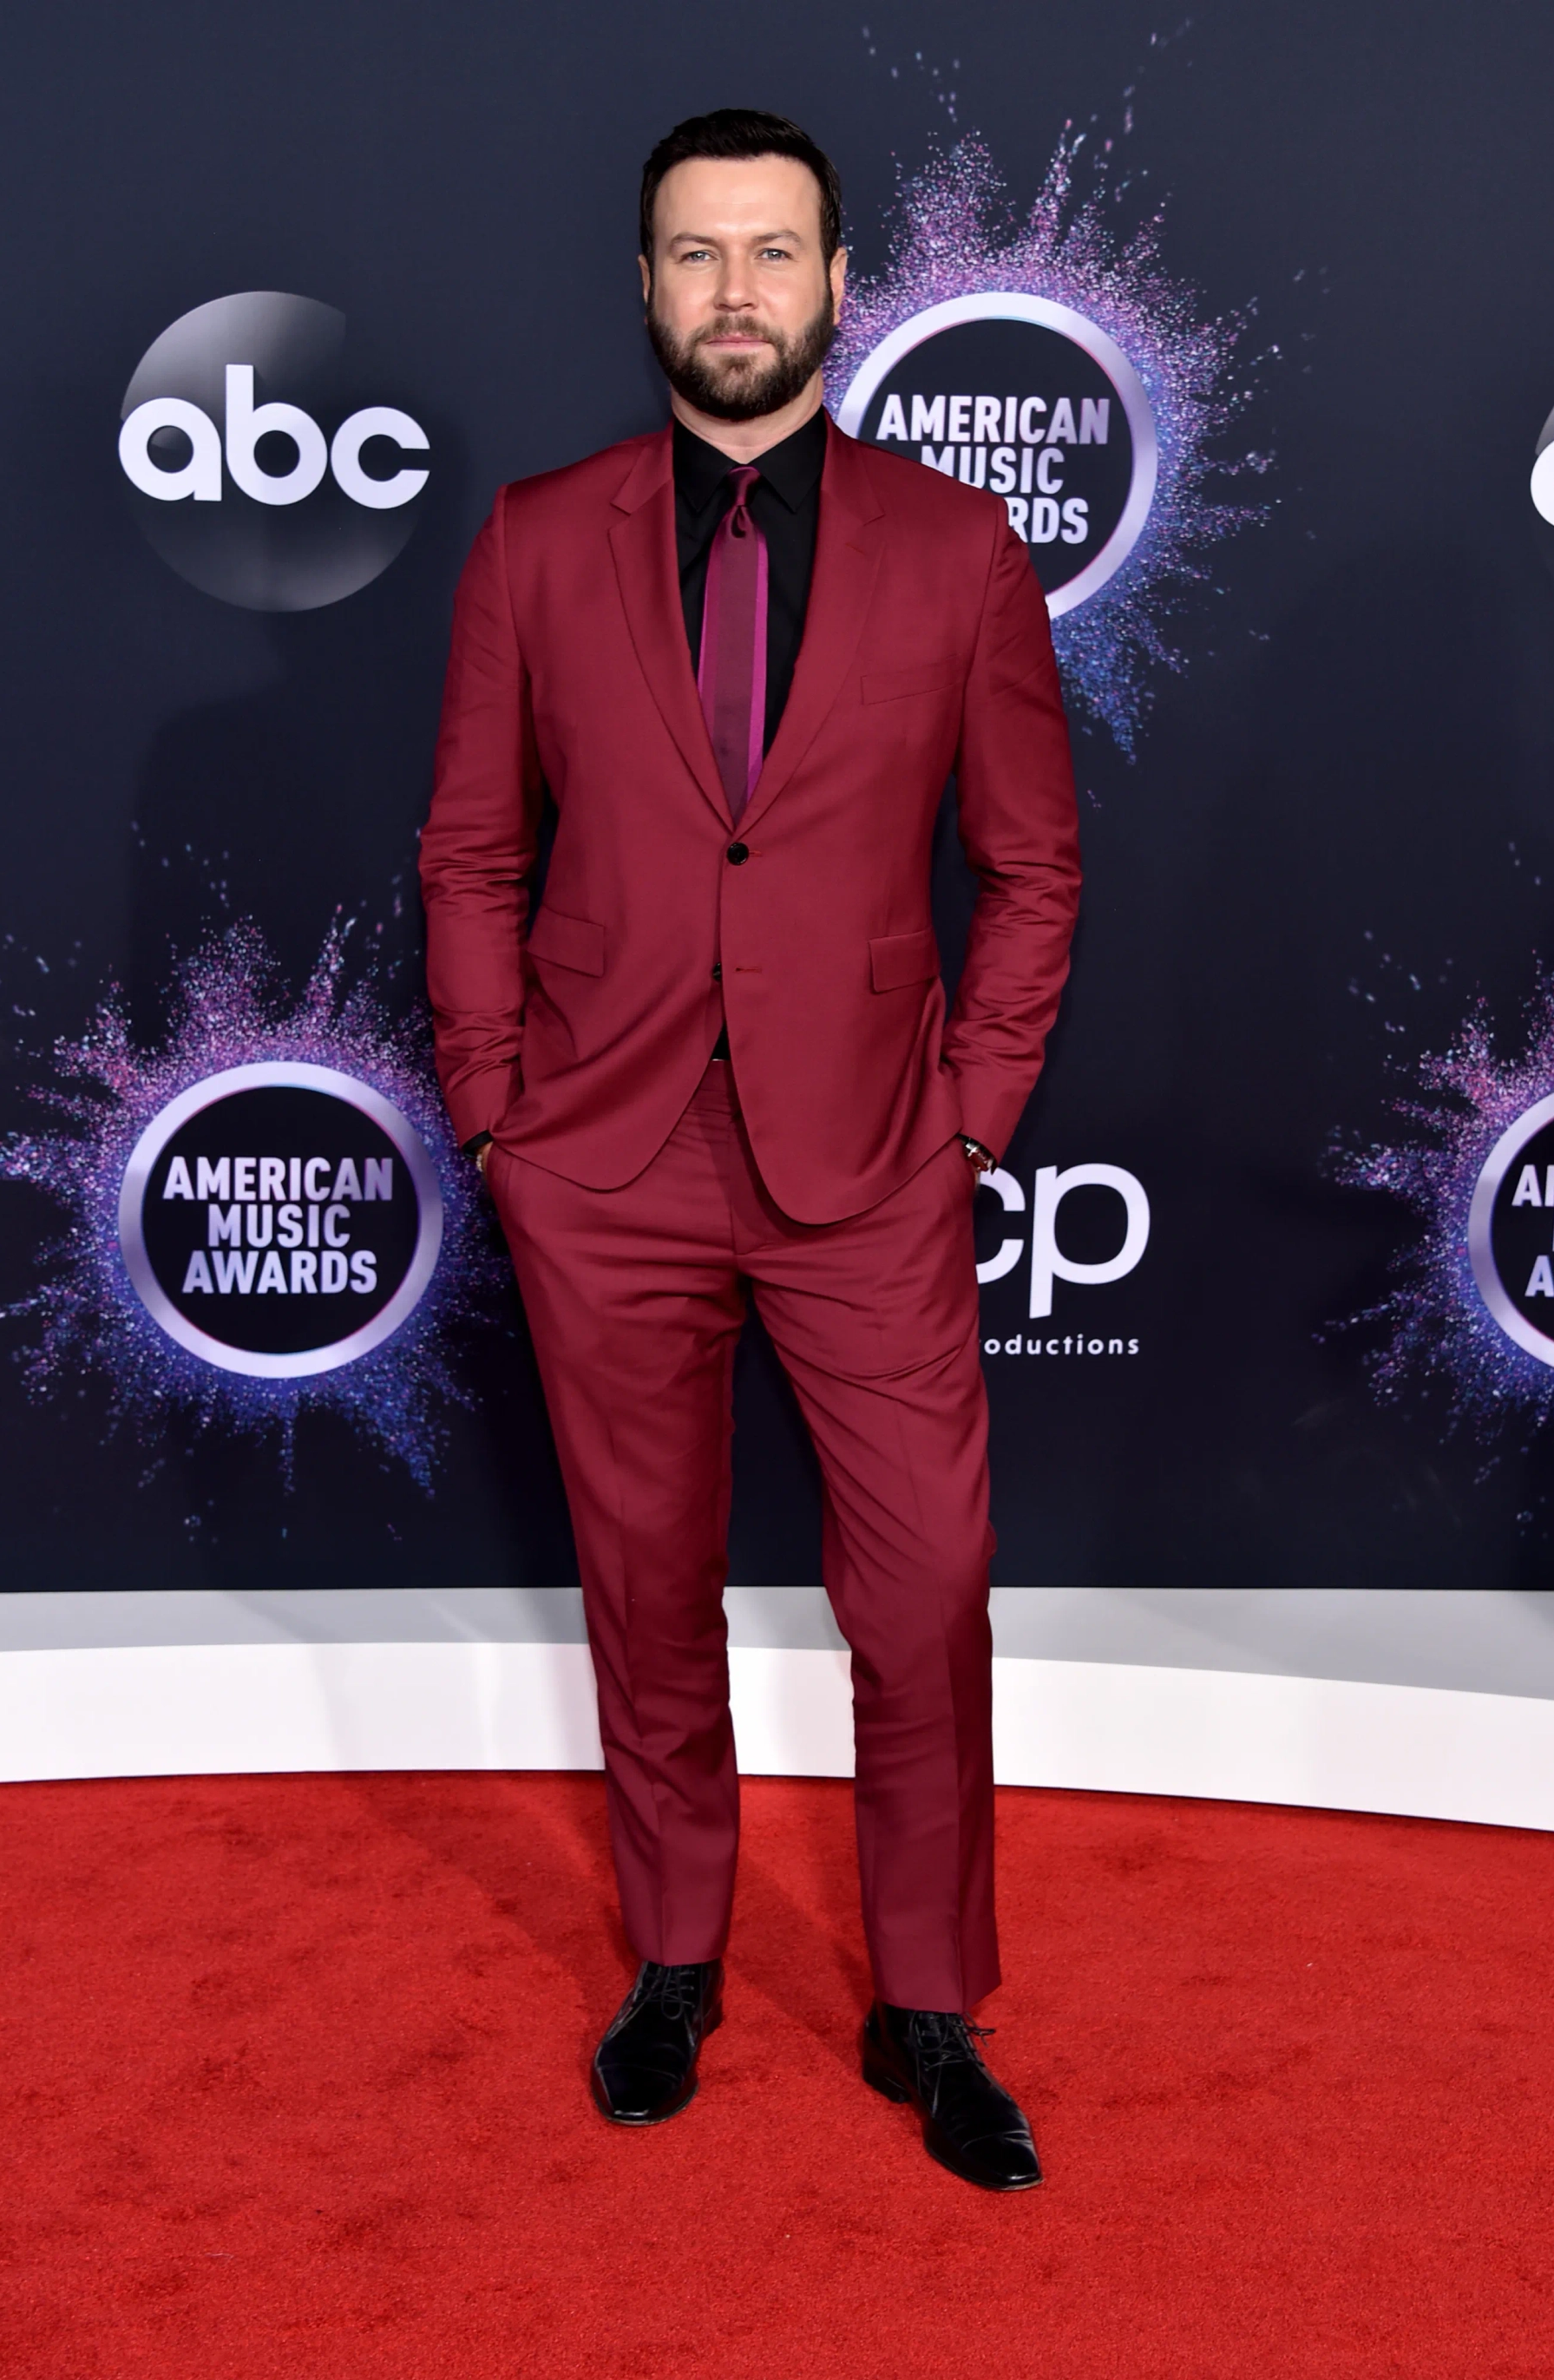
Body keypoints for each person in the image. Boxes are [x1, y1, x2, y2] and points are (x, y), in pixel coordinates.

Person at [420, 108, 1080, 2192]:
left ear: (832, 276)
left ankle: (927, 1995)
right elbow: (467, 846)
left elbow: (1034, 864)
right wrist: (489, 1106)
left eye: (771, 254)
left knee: (927, 1588)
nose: (734, 293)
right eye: (694, 256)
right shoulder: (535, 537)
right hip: (599, 1158)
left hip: (870, 1155)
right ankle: (679, 1952)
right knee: (645, 1582)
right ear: (642, 286)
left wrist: (971, 1115)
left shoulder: (956, 547)